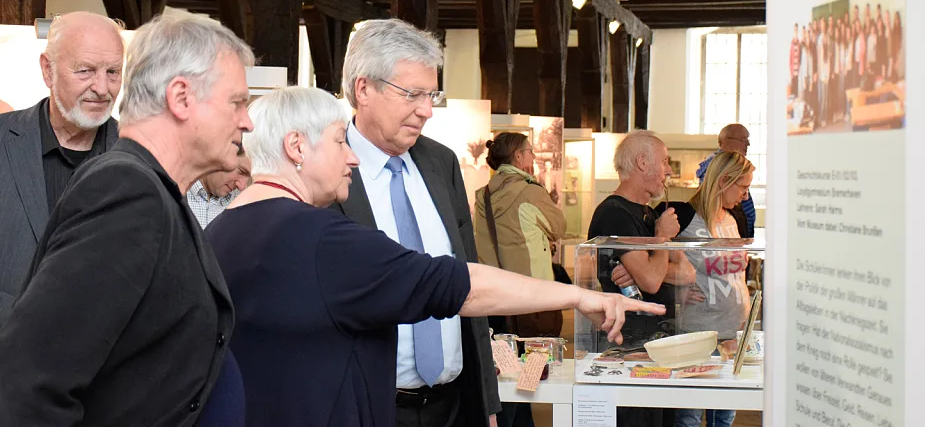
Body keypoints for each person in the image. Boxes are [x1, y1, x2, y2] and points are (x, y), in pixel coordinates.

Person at [205, 86, 664, 427]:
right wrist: (580, 298)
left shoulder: (219, 233)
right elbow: (455, 285)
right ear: (296, 147)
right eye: (339, 141)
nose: (352, 159)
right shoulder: (323, 238)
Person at [0, 14, 254, 425]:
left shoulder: (149, 187)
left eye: (112, 71)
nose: (247, 121)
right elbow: (31, 384)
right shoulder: (127, 191)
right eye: (237, 102)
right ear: (181, 97)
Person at [334, 19, 500, 426]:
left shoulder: (440, 163)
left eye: (431, 95)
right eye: (412, 94)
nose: (426, 110)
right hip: (368, 409)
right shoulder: (328, 170)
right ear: (363, 89)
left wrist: (488, 405)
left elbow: (467, 280)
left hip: (453, 406)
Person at [0, 11, 123, 325]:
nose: (102, 87)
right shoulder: (3, 141)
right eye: (85, 71)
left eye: (113, 72)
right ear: (47, 70)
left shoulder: (140, 157)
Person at [587, 130, 684, 427]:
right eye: (664, 161)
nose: (668, 170)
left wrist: (649, 262)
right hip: (629, 348)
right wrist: (662, 240)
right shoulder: (615, 214)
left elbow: (687, 272)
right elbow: (653, 283)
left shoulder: (647, 214)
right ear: (642, 162)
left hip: (657, 344)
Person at [473, 132, 567, 427]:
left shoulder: (483, 195)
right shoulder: (530, 191)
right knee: (528, 383)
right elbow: (559, 227)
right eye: (530, 152)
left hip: (495, 304)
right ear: (517, 157)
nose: (533, 157)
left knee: (507, 379)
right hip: (532, 304)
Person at [675, 152, 754, 427]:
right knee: (690, 415)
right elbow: (659, 264)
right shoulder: (684, 218)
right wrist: (676, 290)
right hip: (699, 333)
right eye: (742, 187)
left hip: (735, 332)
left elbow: (740, 272)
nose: (745, 195)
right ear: (723, 181)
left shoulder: (735, 219)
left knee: (726, 414)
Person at [696, 124, 755, 238]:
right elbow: (711, 201)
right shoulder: (716, 166)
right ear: (727, 141)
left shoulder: (735, 165)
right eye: (743, 140)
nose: (748, 144)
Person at [187, 147, 252, 227]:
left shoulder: (241, 204)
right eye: (241, 171)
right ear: (220, 155)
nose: (241, 186)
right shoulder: (172, 194)